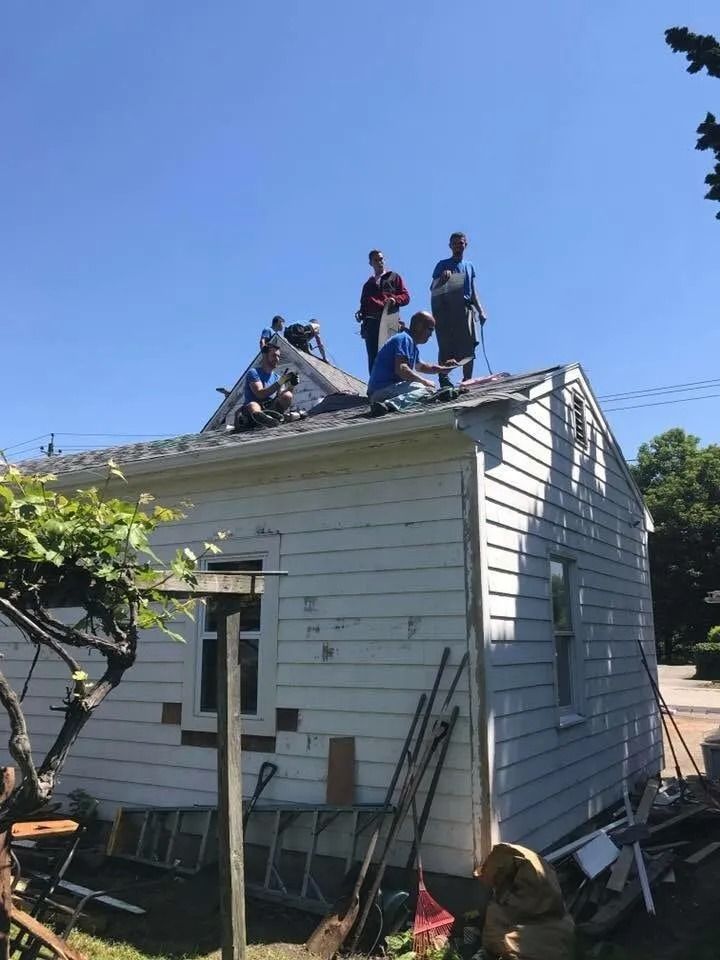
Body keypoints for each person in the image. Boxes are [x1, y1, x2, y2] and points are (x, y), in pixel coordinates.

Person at [367, 311, 459, 416]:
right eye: (430, 329)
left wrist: (443, 369)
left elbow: (422, 367)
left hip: (387, 391)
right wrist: (424, 381)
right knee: (427, 390)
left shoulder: (411, 344)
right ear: (419, 326)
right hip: (382, 391)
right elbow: (402, 369)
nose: (431, 335)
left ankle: (392, 405)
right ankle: (388, 405)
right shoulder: (404, 339)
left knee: (426, 396)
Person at [431, 232, 488, 386]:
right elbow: (433, 289)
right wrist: (442, 278)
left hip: (466, 309)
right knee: (446, 344)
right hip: (448, 311)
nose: (458, 246)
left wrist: (481, 310)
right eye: (455, 243)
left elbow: (473, 290)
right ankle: (444, 378)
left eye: (460, 243)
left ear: (465, 245)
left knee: (469, 345)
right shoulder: (442, 264)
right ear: (450, 246)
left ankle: (467, 379)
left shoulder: (469, 265)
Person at [357, 250, 411, 374]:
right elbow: (363, 305)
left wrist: (394, 299)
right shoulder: (368, 285)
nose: (379, 262)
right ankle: (375, 388)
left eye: (381, 259)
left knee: (390, 354)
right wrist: (362, 318)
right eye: (376, 260)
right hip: (371, 323)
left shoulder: (394, 277)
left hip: (389, 321)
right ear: (371, 263)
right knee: (374, 357)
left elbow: (406, 296)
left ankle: (391, 386)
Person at [240, 343, 299, 427]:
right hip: (251, 413)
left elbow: (281, 395)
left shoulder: (277, 377)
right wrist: (281, 381)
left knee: (287, 394)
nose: (277, 359)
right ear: (265, 356)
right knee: (253, 405)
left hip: (271, 409)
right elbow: (260, 394)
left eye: (278, 356)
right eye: (274, 355)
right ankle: (264, 419)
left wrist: (292, 385)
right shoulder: (253, 372)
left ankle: (272, 419)